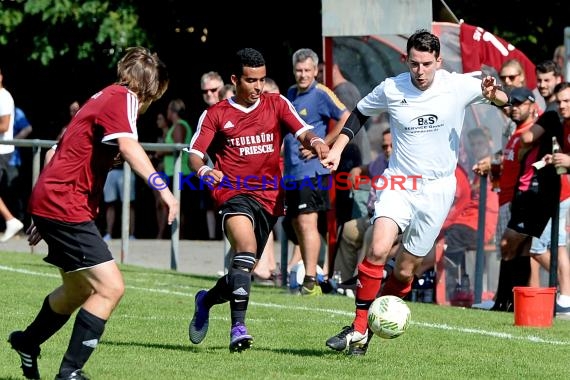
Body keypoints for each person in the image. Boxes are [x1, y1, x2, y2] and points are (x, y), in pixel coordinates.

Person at [320, 29, 508, 355]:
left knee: (405, 269)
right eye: (414, 64)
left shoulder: (458, 84)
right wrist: (337, 148)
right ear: (406, 59)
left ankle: (366, 332)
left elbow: (508, 99)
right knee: (378, 249)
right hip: (399, 182)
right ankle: (359, 326)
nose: (420, 72)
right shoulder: (392, 87)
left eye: (426, 64)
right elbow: (360, 113)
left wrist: (496, 95)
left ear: (439, 61)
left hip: (437, 188)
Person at [8, 47, 178, 380]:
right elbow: (129, 148)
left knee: (77, 290)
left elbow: (56, 150)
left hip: (56, 203)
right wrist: (165, 191)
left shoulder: (99, 98)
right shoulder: (123, 100)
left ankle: (28, 341)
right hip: (64, 205)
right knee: (111, 288)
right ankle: (70, 373)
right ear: (150, 90)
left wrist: (43, 210)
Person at [187, 48, 329, 352]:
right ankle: (238, 327)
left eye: (262, 80)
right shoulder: (216, 114)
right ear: (235, 79)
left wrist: (316, 142)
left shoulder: (276, 104)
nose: (258, 87)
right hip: (232, 194)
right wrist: (204, 171)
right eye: (251, 80)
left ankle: (206, 300)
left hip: (268, 198)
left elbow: (303, 131)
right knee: (247, 250)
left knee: (244, 269)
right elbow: (195, 155)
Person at [283, 48, 350, 296]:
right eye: (299, 70)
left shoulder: (321, 93)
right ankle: (308, 272)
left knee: (307, 222)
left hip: (311, 171)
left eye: (307, 71)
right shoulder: (290, 93)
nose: (303, 75)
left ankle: (310, 279)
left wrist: (324, 143)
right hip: (292, 171)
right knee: (295, 225)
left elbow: (346, 117)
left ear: (315, 71)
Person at [0, 66, 24, 242]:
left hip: (2, 150)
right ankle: (10, 220)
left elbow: (5, 126)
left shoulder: (4, 97)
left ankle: (10, 219)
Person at [6, 107, 33, 223]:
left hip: (12, 160)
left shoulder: (16, 111)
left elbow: (27, 128)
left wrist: (11, 142)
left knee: (13, 192)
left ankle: (18, 221)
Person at [102, 160, 136, 241]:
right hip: (110, 171)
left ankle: (131, 235)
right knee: (110, 204)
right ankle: (109, 234)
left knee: (129, 204)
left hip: (127, 170)